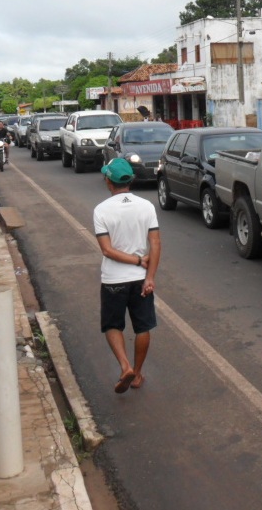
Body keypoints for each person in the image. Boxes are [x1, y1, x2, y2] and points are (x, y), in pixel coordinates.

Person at [94, 155, 160, 394]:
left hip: (113, 279)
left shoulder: (101, 210)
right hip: (141, 278)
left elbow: (107, 250)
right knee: (142, 327)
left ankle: (125, 366)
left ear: (108, 182)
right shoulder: (147, 206)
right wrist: (149, 275)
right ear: (130, 180)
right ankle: (138, 374)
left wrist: (135, 260)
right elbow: (155, 243)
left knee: (113, 325)